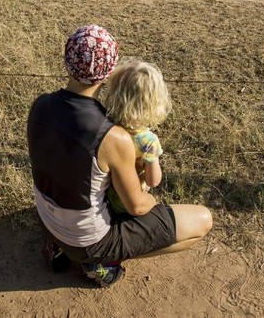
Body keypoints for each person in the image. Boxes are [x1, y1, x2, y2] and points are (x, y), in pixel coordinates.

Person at [27, 24, 212, 287]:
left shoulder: (40, 105)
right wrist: (153, 202)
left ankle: (59, 246)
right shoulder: (112, 136)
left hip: (46, 220)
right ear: (108, 72)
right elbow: (136, 205)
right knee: (202, 221)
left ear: (67, 62)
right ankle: (101, 262)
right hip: (87, 241)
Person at [102, 59, 170, 215]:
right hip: (130, 202)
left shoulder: (107, 127)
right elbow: (153, 180)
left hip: (105, 198)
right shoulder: (149, 142)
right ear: (154, 102)